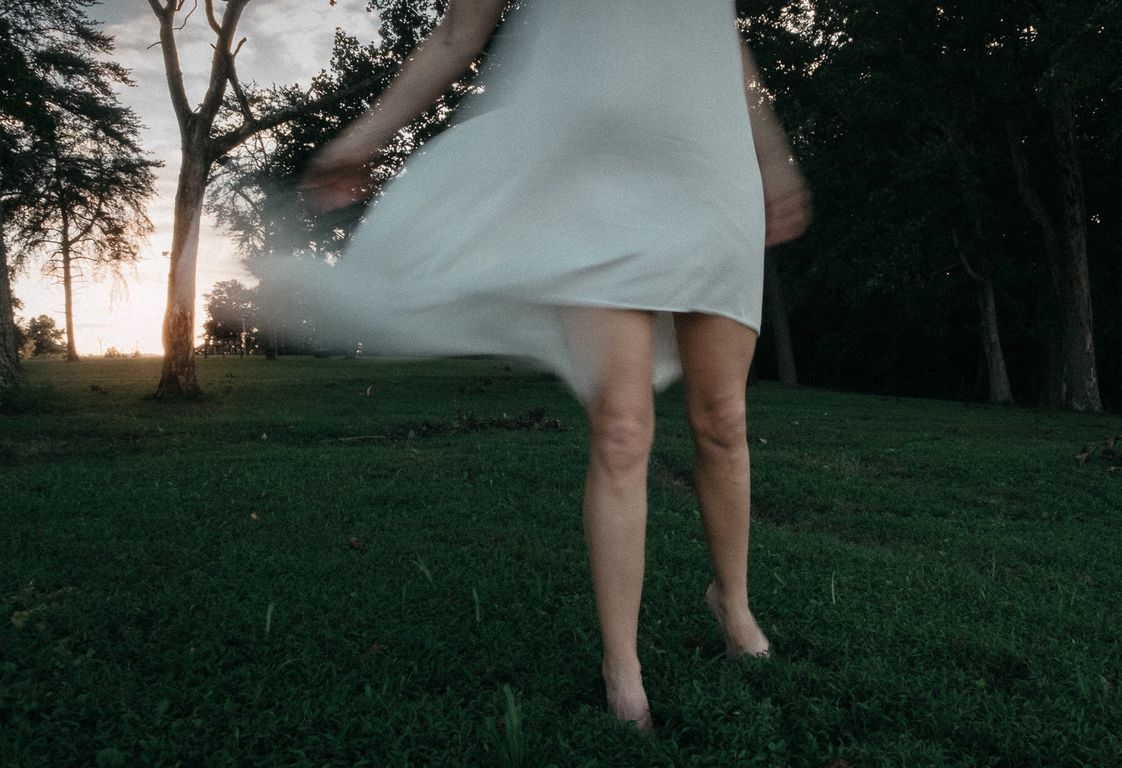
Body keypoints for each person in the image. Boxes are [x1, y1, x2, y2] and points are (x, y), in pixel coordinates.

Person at [299, 0, 812, 731]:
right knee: (622, 428)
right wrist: (365, 136)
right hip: (590, 182)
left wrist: (772, 157)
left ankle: (732, 601)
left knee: (723, 418)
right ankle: (622, 664)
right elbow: (457, 32)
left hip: (709, 171)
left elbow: (721, 37)